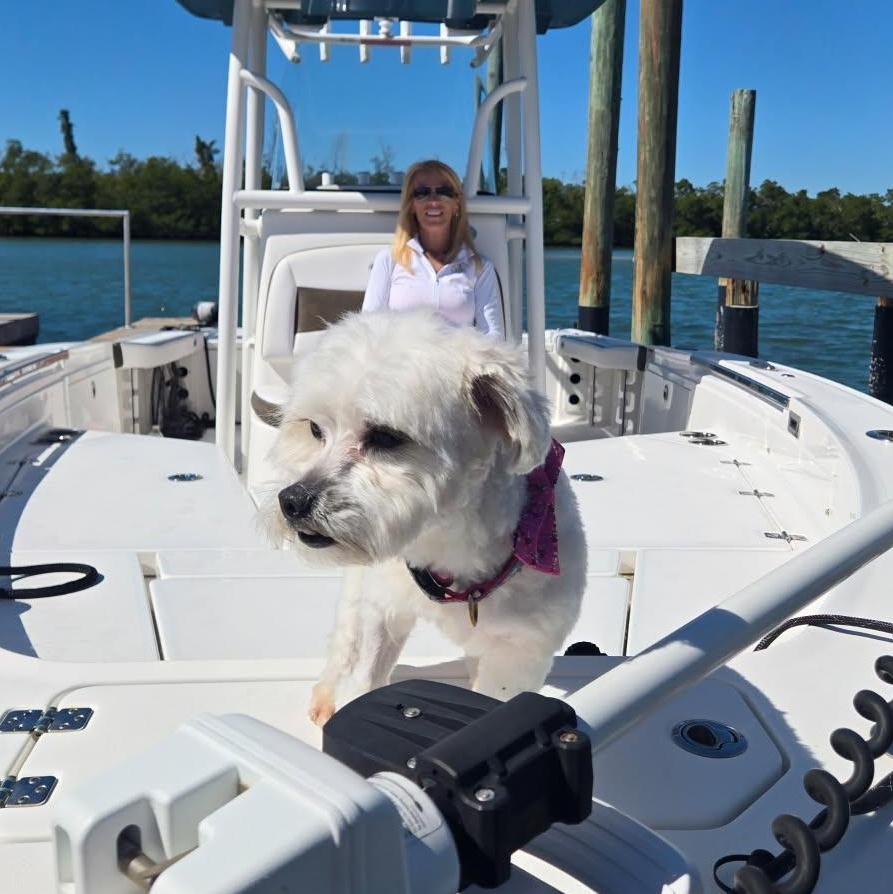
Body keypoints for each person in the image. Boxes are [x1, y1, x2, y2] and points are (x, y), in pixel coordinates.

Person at [362, 159, 504, 338]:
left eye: (444, 192)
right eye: (422, 193)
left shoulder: (480, 268)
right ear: (411, 205)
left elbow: (492, 336)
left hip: (459, 356)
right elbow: (368, 329)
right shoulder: (389, 261)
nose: (434, 201)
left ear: (457, 204)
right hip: (401, 356)